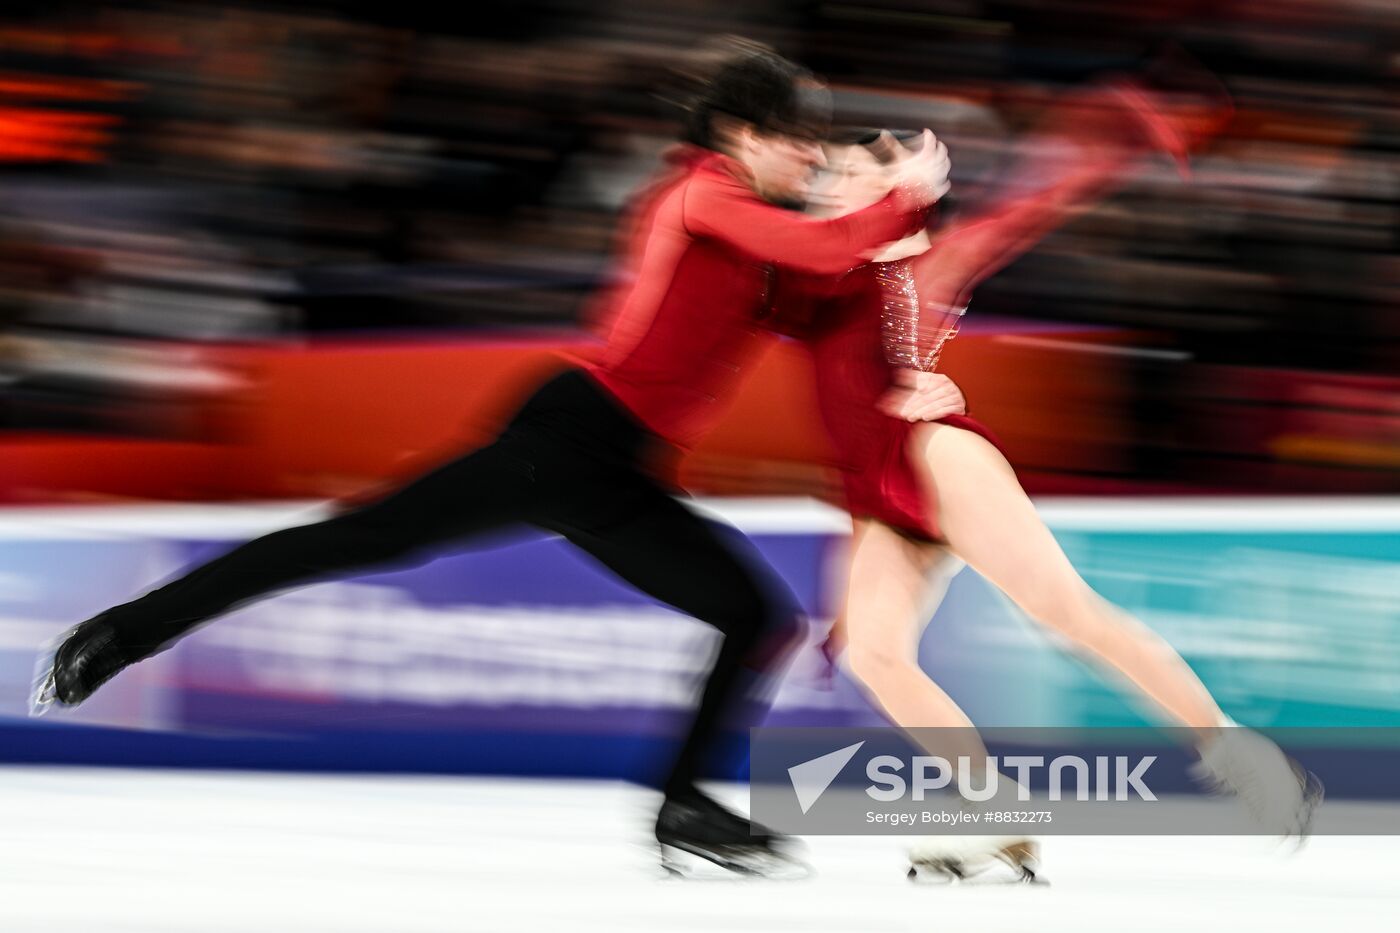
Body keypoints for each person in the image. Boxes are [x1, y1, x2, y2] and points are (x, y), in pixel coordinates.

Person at [30, 44, 952, 877]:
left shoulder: (760, 238)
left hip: (625, 469)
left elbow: (828, 286)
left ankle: (685, 804)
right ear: (745, 134)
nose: (813, 158)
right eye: (801, 142)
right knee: (358, 541)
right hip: (564, 439)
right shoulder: (702, 190)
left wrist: (902, 270)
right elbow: (824, 243)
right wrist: (901, 190)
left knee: (755, 613)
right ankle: (120, 634)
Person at [787, 83, 1319, 881]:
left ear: (889, 179)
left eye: (844, 169)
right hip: (873, 484)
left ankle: (1236, 750)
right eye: (824, 171)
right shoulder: (819, 257)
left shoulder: (908, 252)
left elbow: (1022, 208)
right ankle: (991, 806)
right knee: (876, 653)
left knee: (1066, 612)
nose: (826, 179)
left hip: (935, 459)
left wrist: (1123, 133)